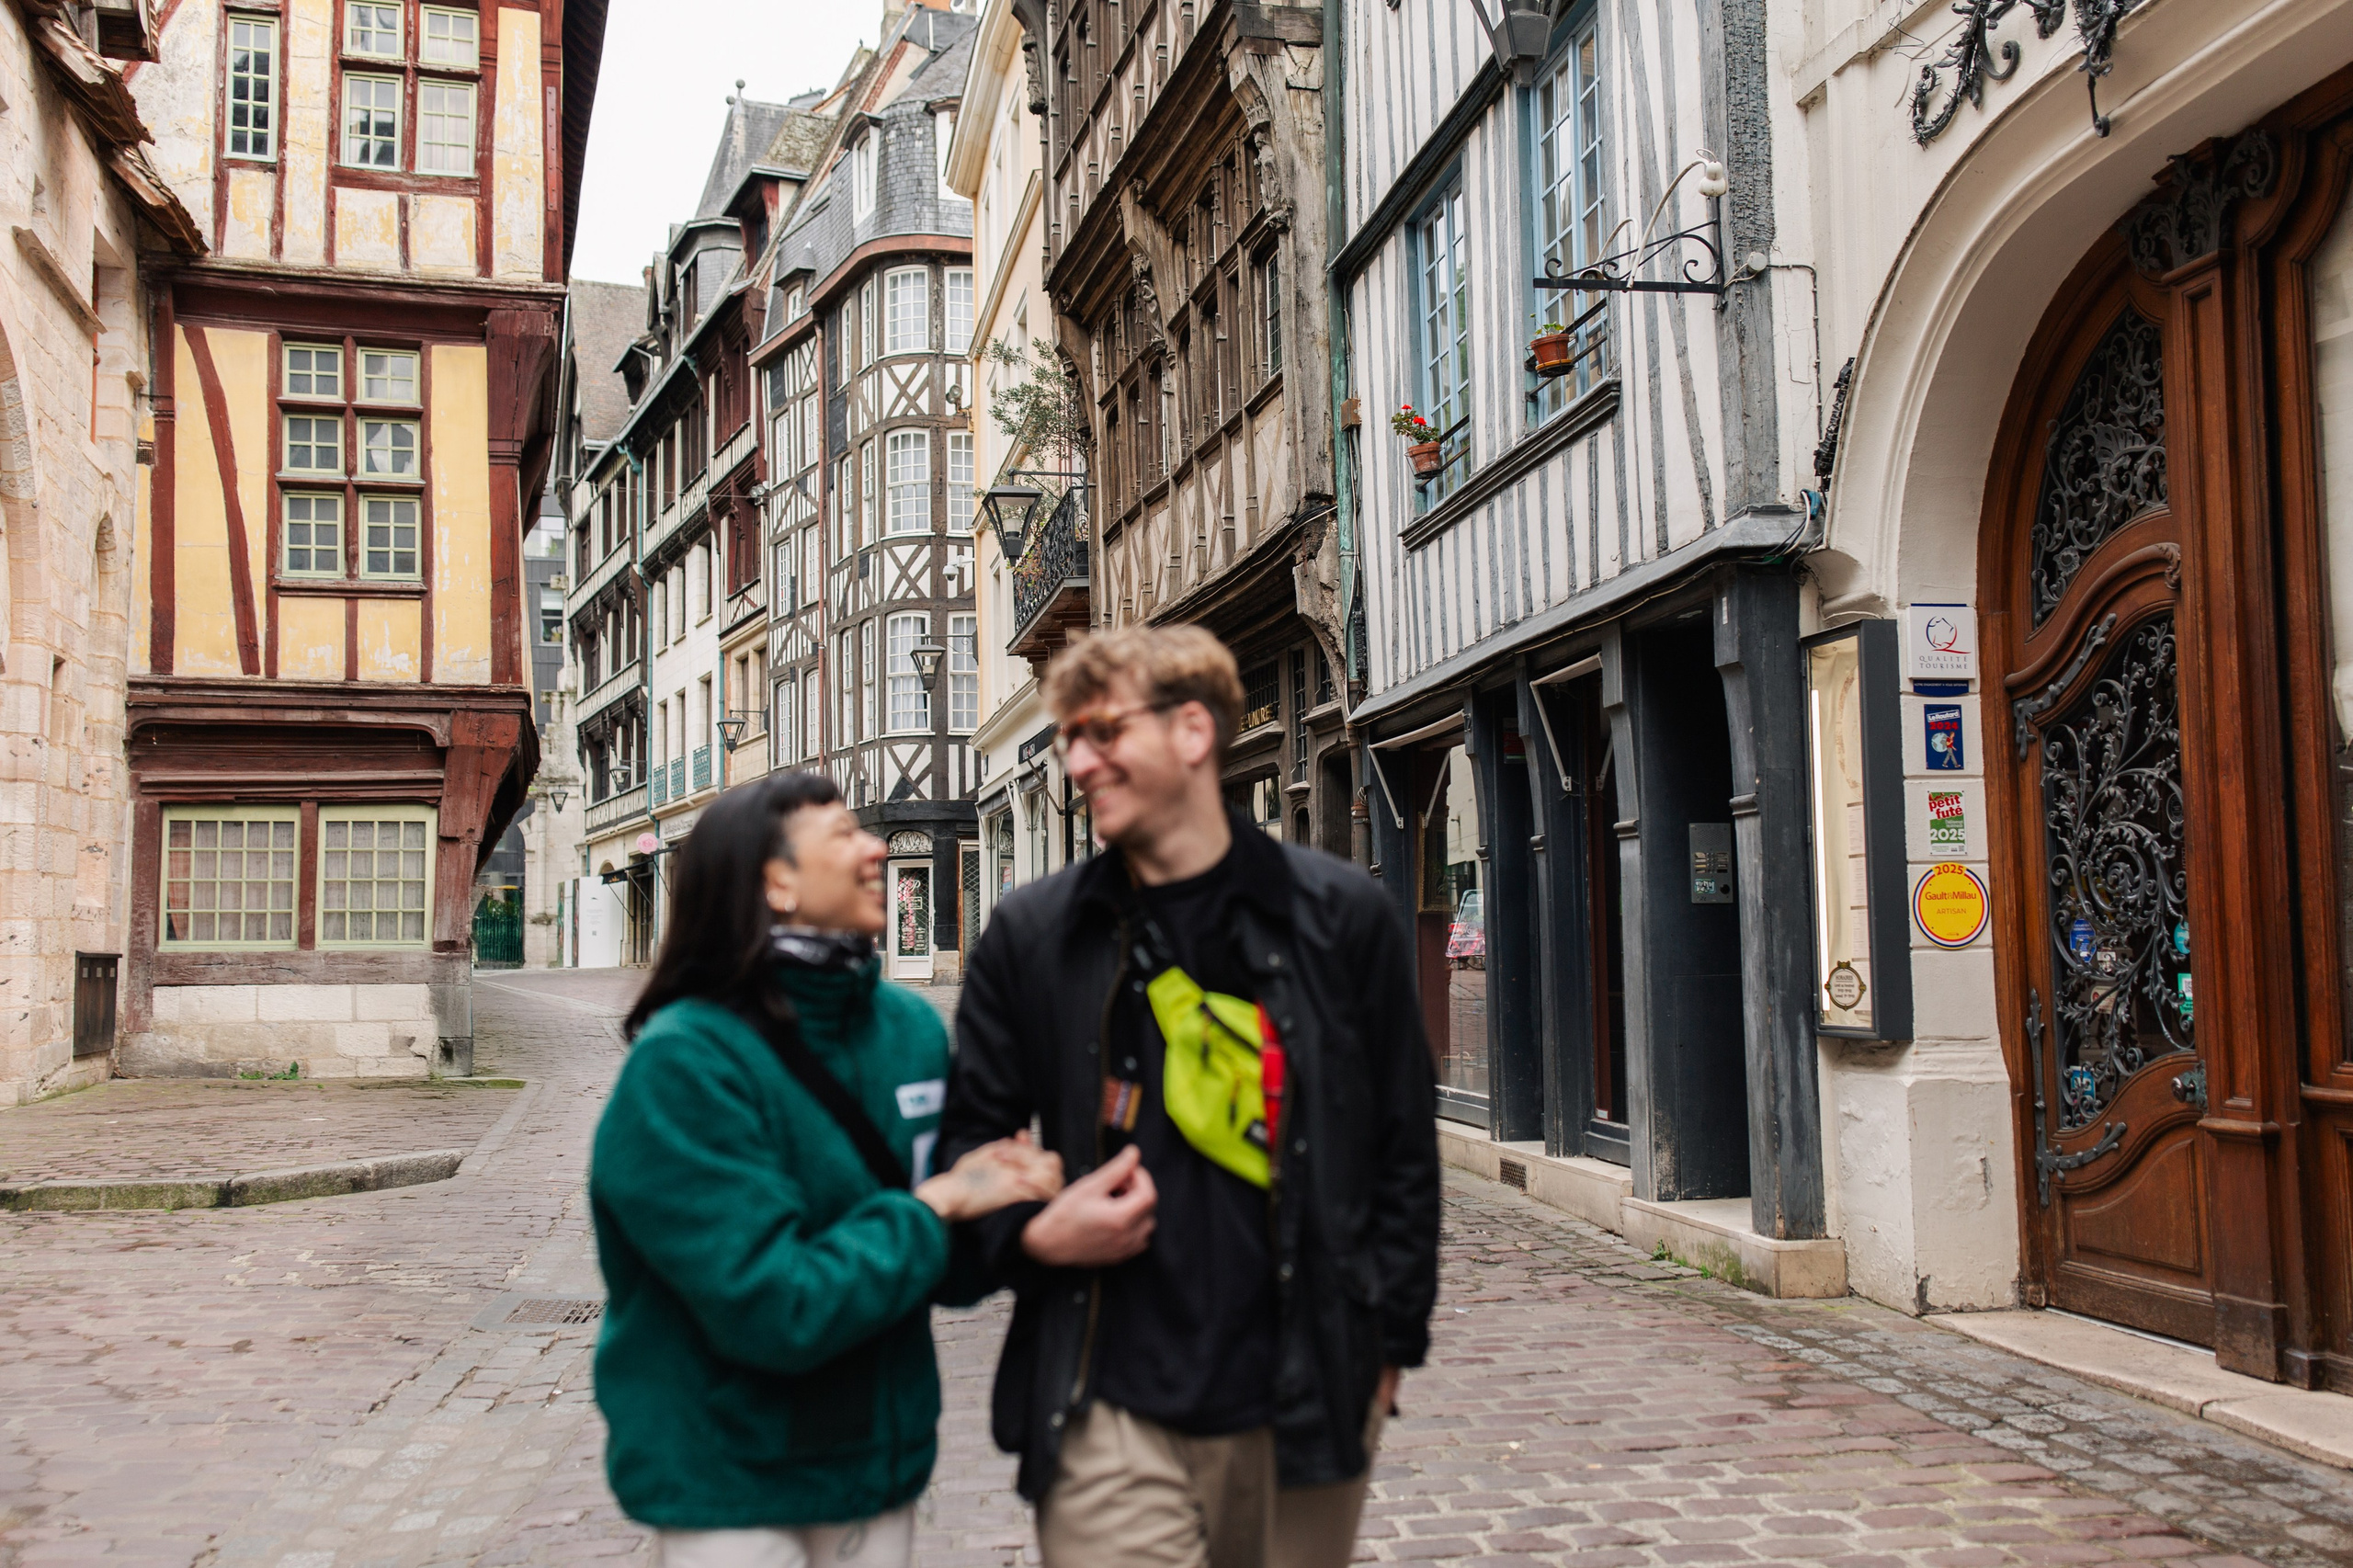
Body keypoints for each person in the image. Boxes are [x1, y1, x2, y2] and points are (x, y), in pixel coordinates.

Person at [938, 625, 1440, 1568]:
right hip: (1106, 1400)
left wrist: (1388, 1347)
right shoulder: (1033, 936)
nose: (1077, 760)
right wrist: (1035, 1234)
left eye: (1101, 731)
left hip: (1305, 1394)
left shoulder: (1340, 918)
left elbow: (1401, 1147)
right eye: (1066, 739)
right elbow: (969, 1141)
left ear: (1194, 731)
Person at [590, 772, 1063, 1568]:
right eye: (844, 835)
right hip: (730, 1478)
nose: (876, 847)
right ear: (775, 882)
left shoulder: (909, 1029)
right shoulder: (685, 1064)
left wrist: (1024, 1222)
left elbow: (944, 1273)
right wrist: (941, 1202)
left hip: (876, 1461)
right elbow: (776, 1306)